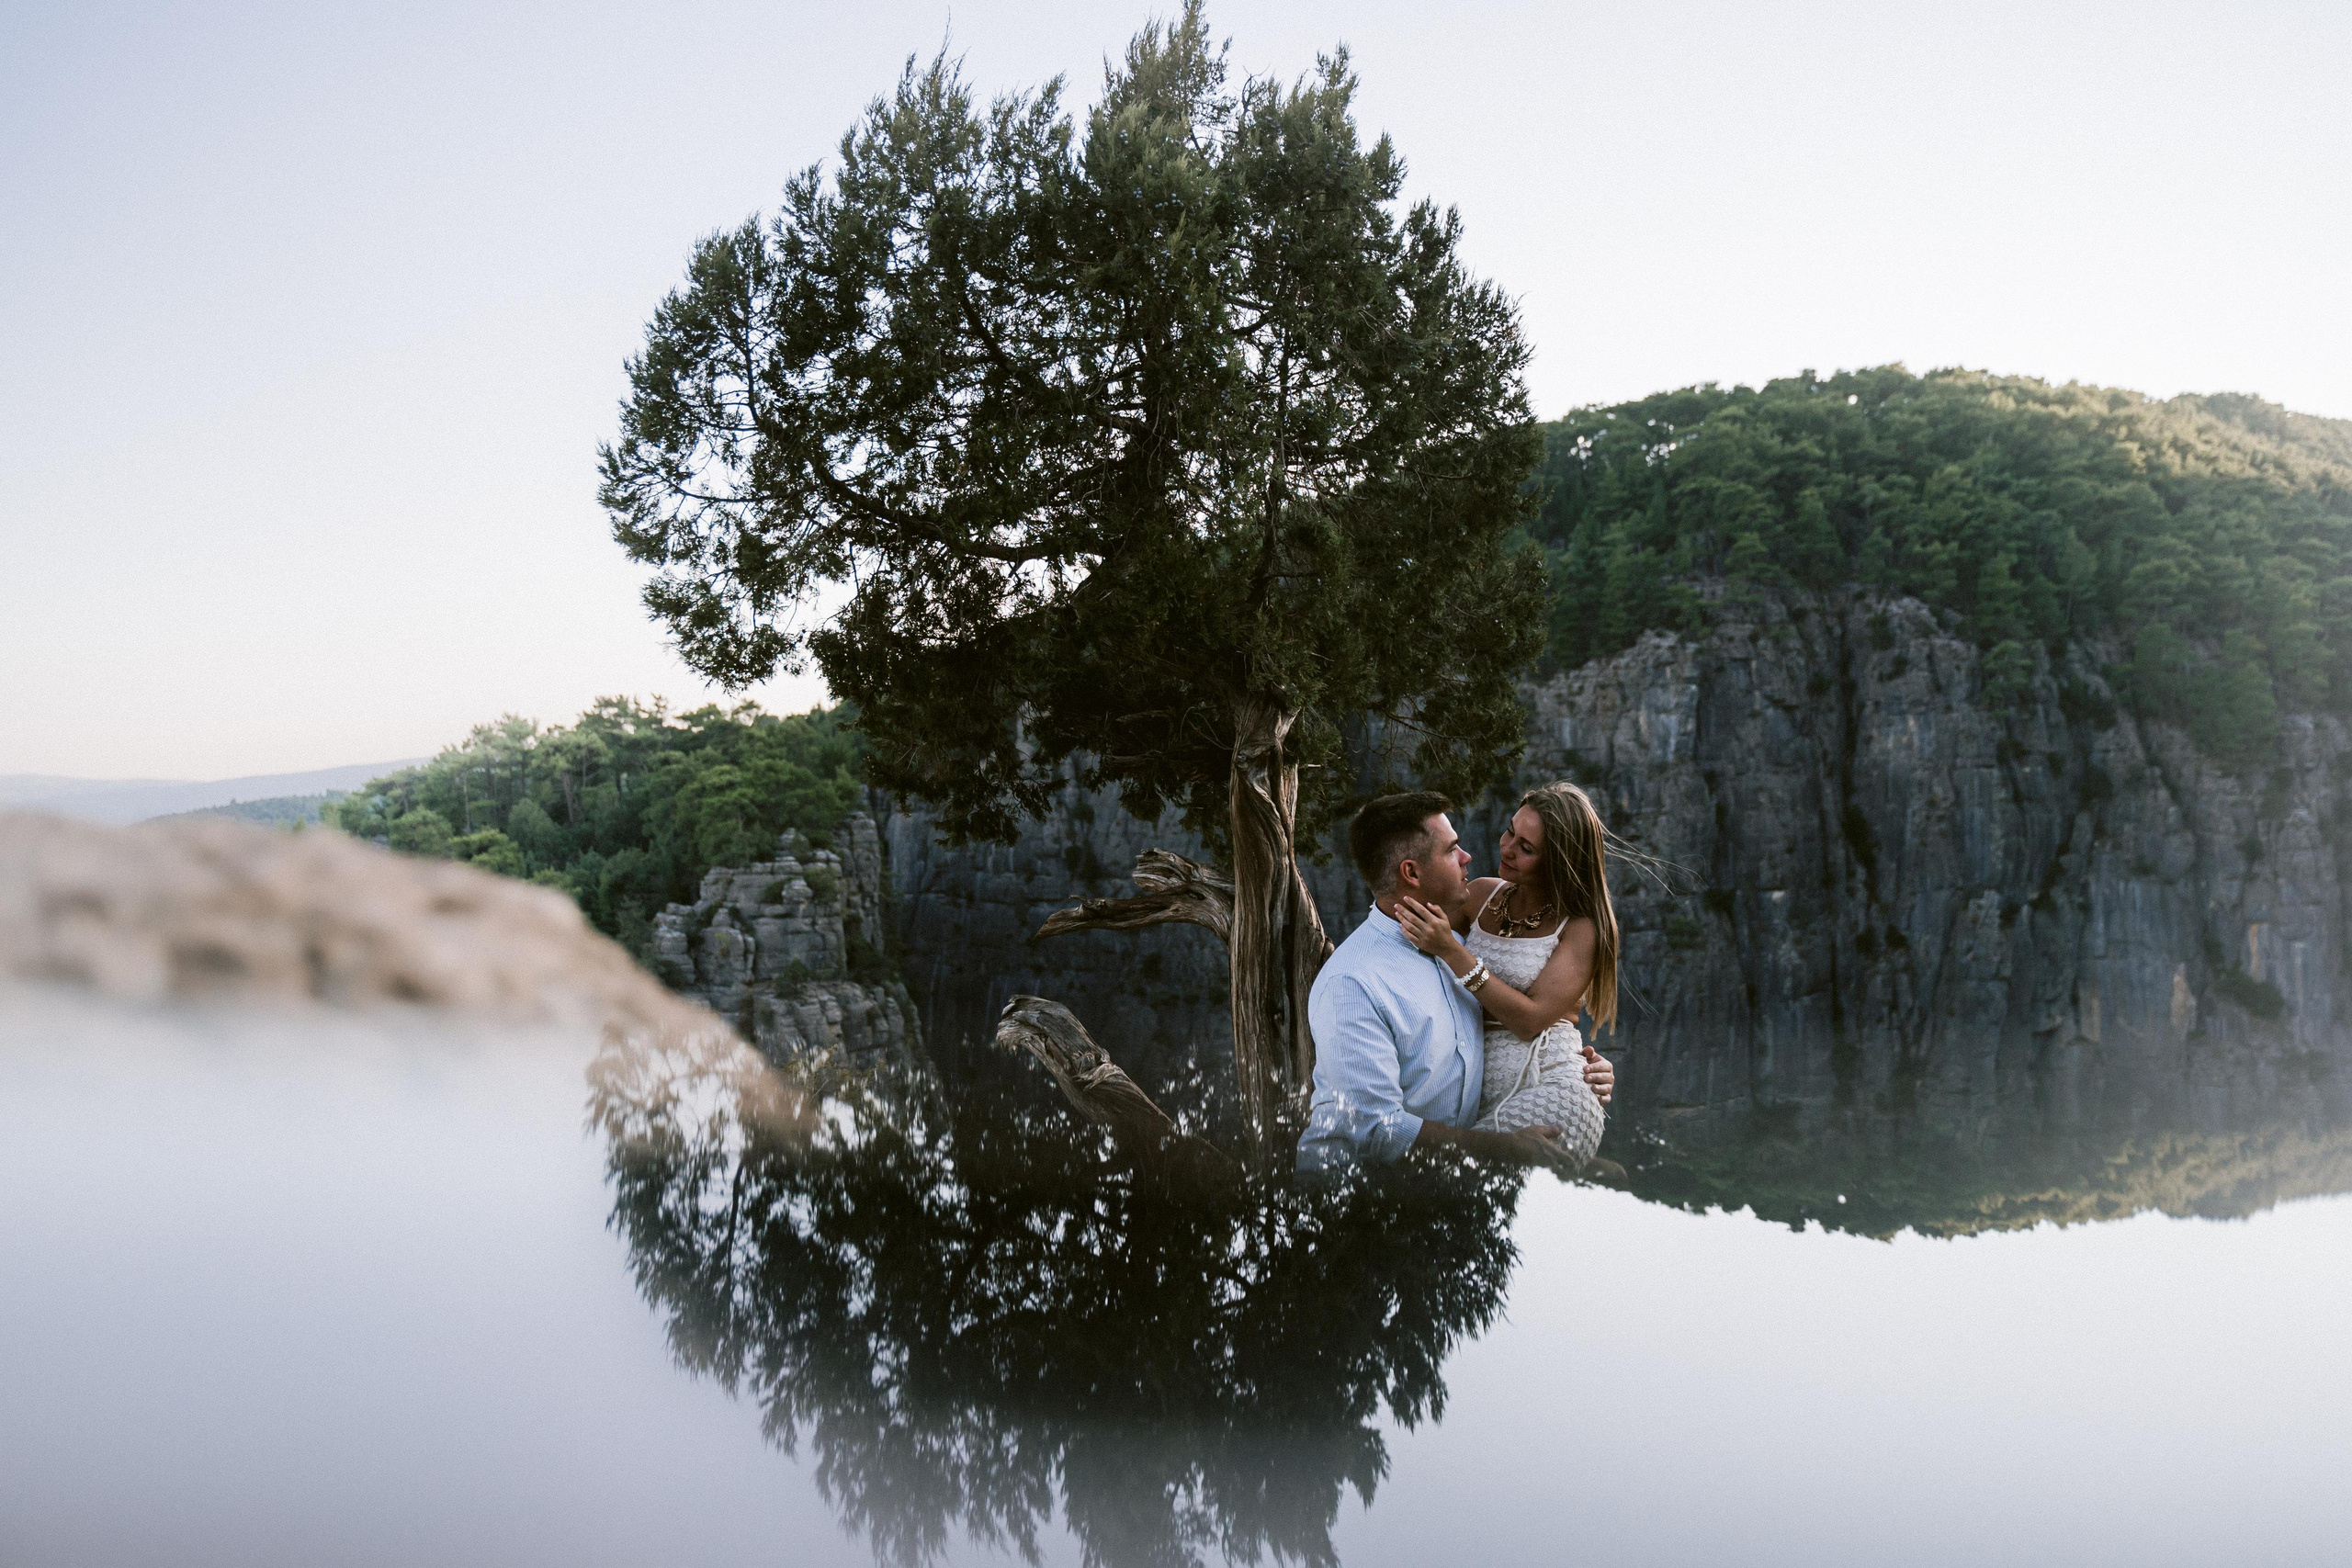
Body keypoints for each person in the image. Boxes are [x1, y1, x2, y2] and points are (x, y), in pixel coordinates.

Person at [1295, 791, 1613, 1174]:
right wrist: (1502, 1148)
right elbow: (1374, 1130)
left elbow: (1537, 1015)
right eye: (1453, 850)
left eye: (1525, 846)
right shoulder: (1357, 982)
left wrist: (1575, 1065)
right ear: (1411, 872)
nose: (1472, 857)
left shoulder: (1454, 940)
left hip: (1521, 1109)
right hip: (1363, 1197)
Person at [1394, 782, 1620, 1168]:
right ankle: (1602, 1177)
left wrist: (1453, 950)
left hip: (1555, 1092)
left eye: (1526, 848)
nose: (1507, 848)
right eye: (1511, 831)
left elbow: (1530, 1020)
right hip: (1482, 1097)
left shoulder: (1582, 928)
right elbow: (1407, 927)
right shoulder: (1481, 895)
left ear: (1558, 862)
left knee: (1436, 1176)